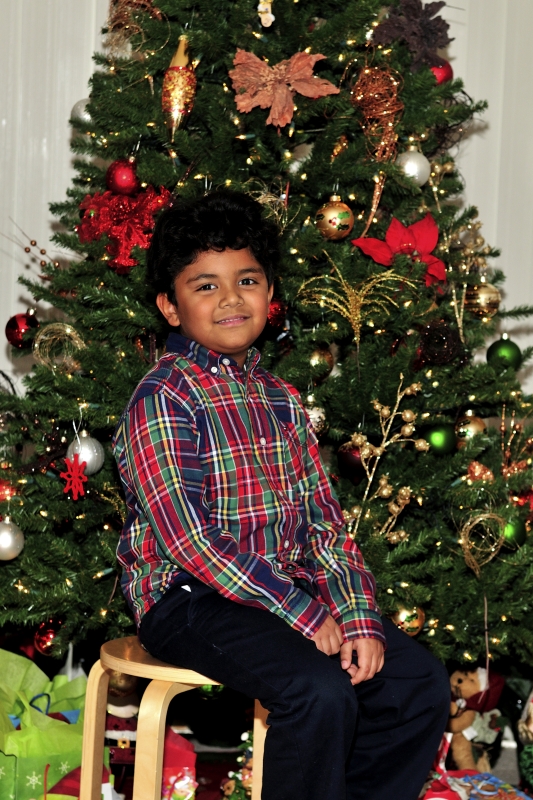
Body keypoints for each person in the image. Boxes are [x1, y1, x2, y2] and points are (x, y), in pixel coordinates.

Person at [113, 190, 449, 800]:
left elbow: (324, 524)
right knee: (317, 688)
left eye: (246, 280)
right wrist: (304, 613)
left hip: (281, 592)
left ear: (269, 293)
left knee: (416, 682)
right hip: (187, 598)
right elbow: (190, 541)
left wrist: (356, 615)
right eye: (206, 286)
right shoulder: (163, 399)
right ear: (169, 306)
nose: (231, 298)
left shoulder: (281, 400)